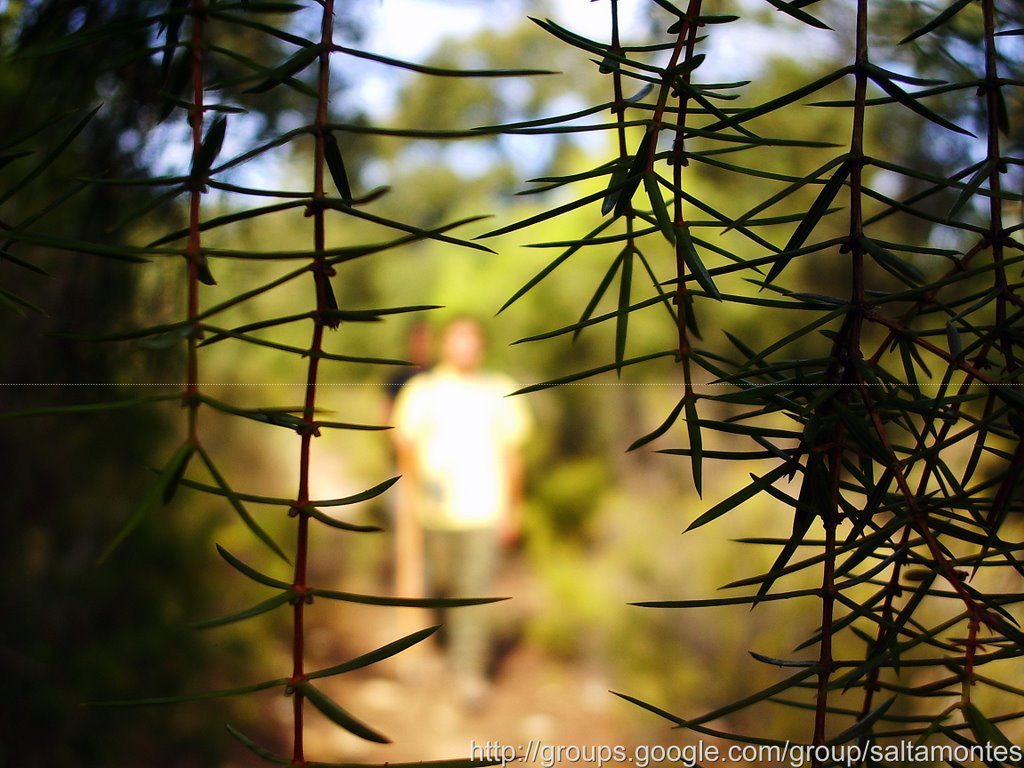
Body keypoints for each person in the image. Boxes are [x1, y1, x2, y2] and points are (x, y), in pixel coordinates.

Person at [391, 316, 531, 709]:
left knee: (475, 592)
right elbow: (403, 441)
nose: (465, 348)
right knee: (441, 585)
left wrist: (513, 510)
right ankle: (442, 650)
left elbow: (512, 456)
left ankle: (470, 674)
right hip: (433, 514)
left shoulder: (501, 391)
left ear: (481, 346)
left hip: (484, 511)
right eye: (458, 340)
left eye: (472, 340)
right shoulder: (424, 390)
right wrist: (413, 493)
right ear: (445, 345)